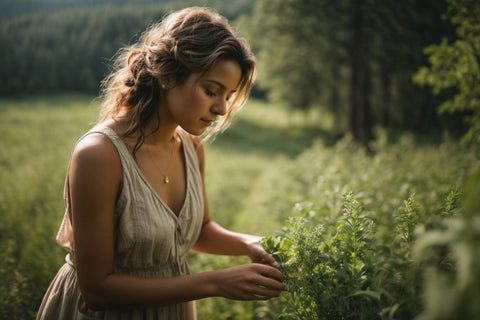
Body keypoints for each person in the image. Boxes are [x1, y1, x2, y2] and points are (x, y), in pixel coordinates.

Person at [36, 6, 288, 320]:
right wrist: (215, 282)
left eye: (229, 95)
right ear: (168, 76)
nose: (222, 109)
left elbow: (197, 231)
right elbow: (96, 289)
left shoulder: (190, 146)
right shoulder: (99, 154)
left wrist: (251, 243)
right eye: (211, 91)